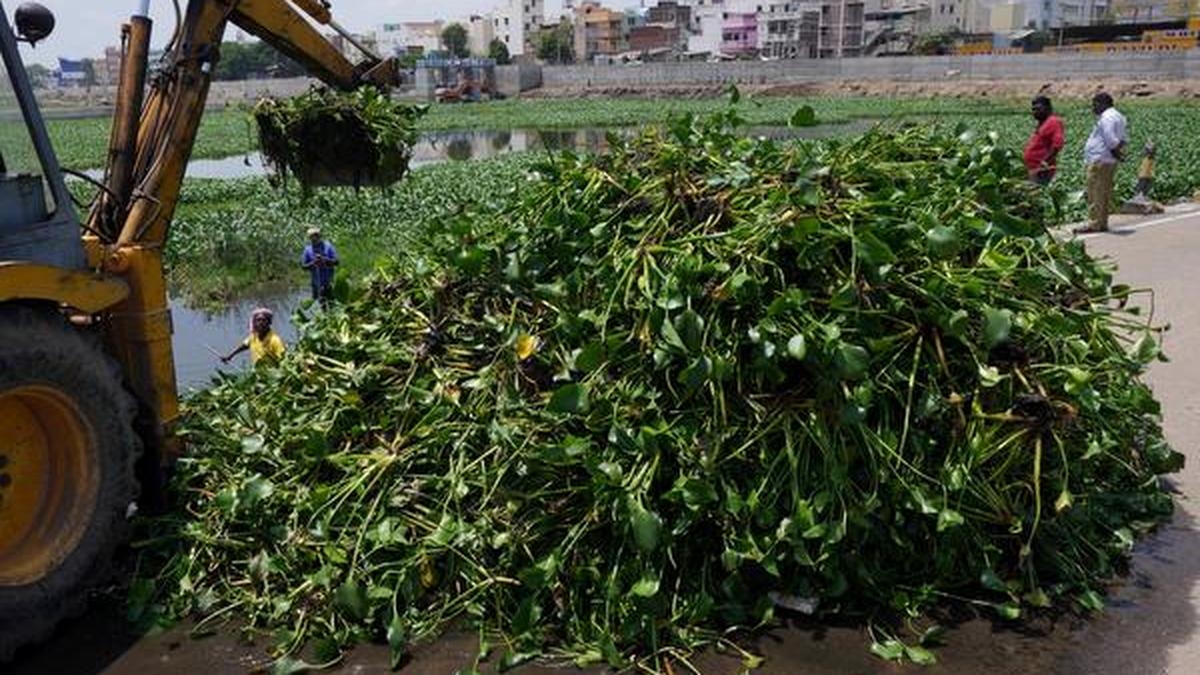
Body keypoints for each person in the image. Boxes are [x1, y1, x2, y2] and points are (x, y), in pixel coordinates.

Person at [1077, 92, 1127, 234]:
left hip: (1100, 160)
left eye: (1095, 104)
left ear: (1102, 104)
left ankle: (1094, 223)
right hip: (1108, 160)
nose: (1093, 108)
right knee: (1104, 192)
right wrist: (1118, 154)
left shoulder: (1107, 117)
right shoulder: (1119, 116)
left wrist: (1116, 153)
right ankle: (1102, 222)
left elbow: (1111, 140)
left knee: (1095, 192)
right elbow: (1123, 139)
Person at [221, 307, 286, 366]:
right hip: (257, 372)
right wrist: (230, 356)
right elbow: (244, 346)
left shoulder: (275, 340)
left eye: (263, 320)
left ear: (269, 322)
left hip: (271, 373)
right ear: (254, 323)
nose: (260, 323)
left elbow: (284, 360)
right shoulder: (254, 336)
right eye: (258, 320)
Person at [1023, 96, 1065, 186]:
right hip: (1032, 168)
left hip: (1040, 170)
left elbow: (1057, 145)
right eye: (1033, 109)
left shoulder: (1054, 122)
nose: (1035, 112)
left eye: (1038, 109)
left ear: (1048, 108)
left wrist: (1045, 163)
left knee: (1036, 191)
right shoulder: (1043, 123)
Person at [301, 226, 339, 305]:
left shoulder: (328, 246)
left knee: (332, 303)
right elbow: (304, 266)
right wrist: (313, 263)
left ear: (319, 236)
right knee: (322, 304)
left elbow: (336, 261)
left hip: (329, 282)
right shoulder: (308, 250)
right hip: (316, 283)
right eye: (311, 237)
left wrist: (325, 260)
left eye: (315, 236)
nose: (313, 239)